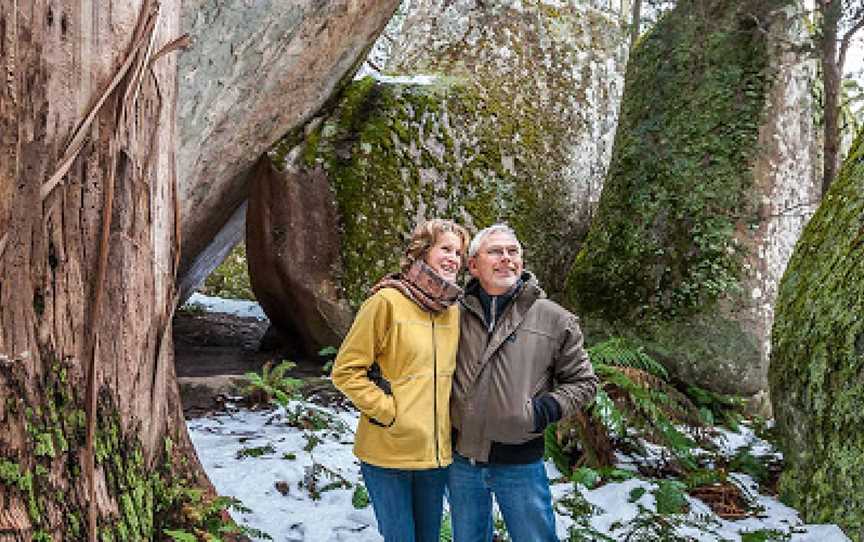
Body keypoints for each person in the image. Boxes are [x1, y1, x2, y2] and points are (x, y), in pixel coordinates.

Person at [447, 223, 598, 542]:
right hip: (461, 460)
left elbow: (583, 382)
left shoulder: (555, 319)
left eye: (512, 251)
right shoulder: (452, 314)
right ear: (473, 265)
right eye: (495, 252)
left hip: (520, 462)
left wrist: (539, 412)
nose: (506, 258)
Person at [332, 219, 469, 542]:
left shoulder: (454, 310)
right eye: (445, 248)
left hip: (435, 454)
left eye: (459, 253)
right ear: (422, 252)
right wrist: (390, 412)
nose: (453, 258)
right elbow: (346, 370)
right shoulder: (386, 302)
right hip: (388, 452)